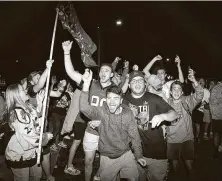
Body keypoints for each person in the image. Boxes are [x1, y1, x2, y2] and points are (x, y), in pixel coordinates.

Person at [62, 40, 116, 180]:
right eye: (102, 70)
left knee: (106, 162)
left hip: (107, 131)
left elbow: (118, 113)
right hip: (91, 131)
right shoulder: (91, 84)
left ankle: (99, 176)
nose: (103, 73)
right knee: (88, 161)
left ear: (111, 75)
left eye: (107, 71)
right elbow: (71, 72)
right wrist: (67, 52)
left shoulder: (115, 90)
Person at [79, 69, 146, 181]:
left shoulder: (127, 112)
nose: (112, 102)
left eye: (115, 99)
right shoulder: (101, 111)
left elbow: (134, 135)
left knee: (134, 178)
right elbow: (84, 108)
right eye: (109, 98)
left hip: (126, 154)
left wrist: (138, 155)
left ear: (121, 101)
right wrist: (86, 85)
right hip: (108, 157)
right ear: (106, 99)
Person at [124, 70, 178, 181]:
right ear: (129, 85)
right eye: (134, 81)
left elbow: (174, 114)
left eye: (140, 81)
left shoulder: (154, 98)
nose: (137, 83)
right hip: (134, 153)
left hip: (156, 154)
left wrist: (162, 116)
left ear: (145, 84)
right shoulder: (123, 101)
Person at [5, 83, 53, 181]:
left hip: (31, 152)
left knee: (37, 176)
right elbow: (29, 136)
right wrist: (45, 138)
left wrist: (40, 102)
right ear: (17, 95)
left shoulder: (27, 106)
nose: (26, 90)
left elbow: (37, 120)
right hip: (20, 154)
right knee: (23, 179)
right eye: (23, 90)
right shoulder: (18, 114)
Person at [166, 68, 204, 181]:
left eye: (179, 89)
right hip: (172, 141)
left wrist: (194, 81)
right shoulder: (165, 103)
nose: (176, 91)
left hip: (187, 139)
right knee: (175, 167)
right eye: (174, 89)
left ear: (182, 92)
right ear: (171, 92)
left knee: (189, 167)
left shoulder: (187, 101)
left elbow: (200, 95)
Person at [192, 78, 210, 143]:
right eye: (199, 81)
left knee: (197, 124)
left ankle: (197, 137)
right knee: (193, 124)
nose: (201, 82)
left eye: (202, 81)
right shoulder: (196, 89)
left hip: (200, 110)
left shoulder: (206, 91)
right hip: (193, 109)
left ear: (205, 83)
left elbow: (207, 102)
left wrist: (201, 104)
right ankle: (193, 137)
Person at [209, 80, 222, 159]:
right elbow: (212, 102)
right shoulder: (216, 88)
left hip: (218, 115)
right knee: (217, 134)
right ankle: (216, 150)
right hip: (217, 115)